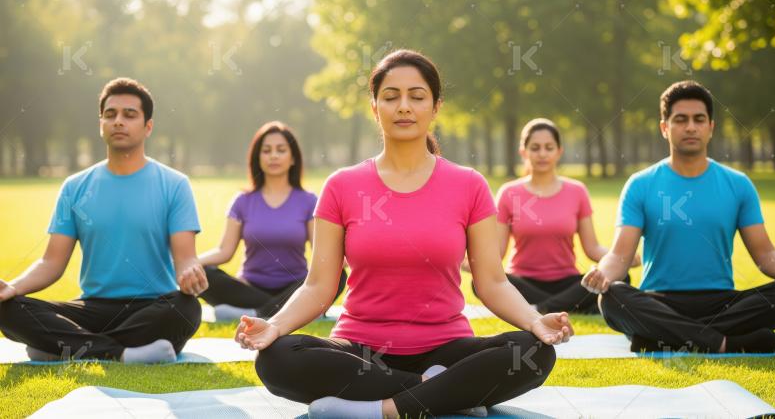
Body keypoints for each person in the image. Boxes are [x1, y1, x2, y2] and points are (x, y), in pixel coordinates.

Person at [235, 50, 574, 419]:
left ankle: (387, 408)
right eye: (391, 96)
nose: (404, 107)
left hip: (447, 347)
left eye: (417, 96)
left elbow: (492, 282)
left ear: (435, 107)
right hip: (361, 352)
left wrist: (533, 320)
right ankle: (450, 393)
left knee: (534, 351)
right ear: (375, 106)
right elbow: (318, 286)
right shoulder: (342, 186)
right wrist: (275, 326)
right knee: (276, 359)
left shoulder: (469, 185)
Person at [582, 80, 775, 353]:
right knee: (612, 297)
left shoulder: (738, 184)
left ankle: (661, 336)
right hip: (659, 301)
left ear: (711, 127)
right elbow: (620, 256)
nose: (690, 127)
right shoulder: (640, 184)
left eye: (699, 119)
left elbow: (765, 254)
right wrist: (602, 273)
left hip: (722, 302)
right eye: (680, 120)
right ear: (665, 128)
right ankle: (721, 342)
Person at [0, 78, 206, 363]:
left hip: (153, 307)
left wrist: (190, 272)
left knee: (187, 308)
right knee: (8, 309)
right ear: (101, 124)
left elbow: (186, 258)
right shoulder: (74, 187)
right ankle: (120, 353)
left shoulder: (174, 184)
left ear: (148, 127)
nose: (118, 121)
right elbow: (51, 263)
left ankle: (63, 346)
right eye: (110, 115)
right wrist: (13, 287)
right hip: (92, 309)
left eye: (129, 115)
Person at [487, 118, 638, 314]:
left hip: (568, 282)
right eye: (535, 148)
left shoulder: (577, 191)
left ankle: (542, 308)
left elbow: (592, 248)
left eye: (549, 147)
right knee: (481, 281)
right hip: (522, 283)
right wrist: (472, 262)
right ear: (523, 152)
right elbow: (497, 251)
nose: (542, 154)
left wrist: (621, 258)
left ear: (559, 151)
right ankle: (573, 305)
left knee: (620, 277)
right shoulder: (509, 193)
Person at [198, 122, 346, 321]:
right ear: (257, 158)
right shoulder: (242, 201)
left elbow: (321, 252)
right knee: (204, 274)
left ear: (293, 158)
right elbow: (224, 251)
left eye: (281, 150)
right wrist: (190, 264)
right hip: (249, 289)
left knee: (338, 277)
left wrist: (338, 261)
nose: (273, 156)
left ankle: (258, 314)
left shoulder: (308, 201)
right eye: (266, 151)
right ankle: (295, 312)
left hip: (296, 287)